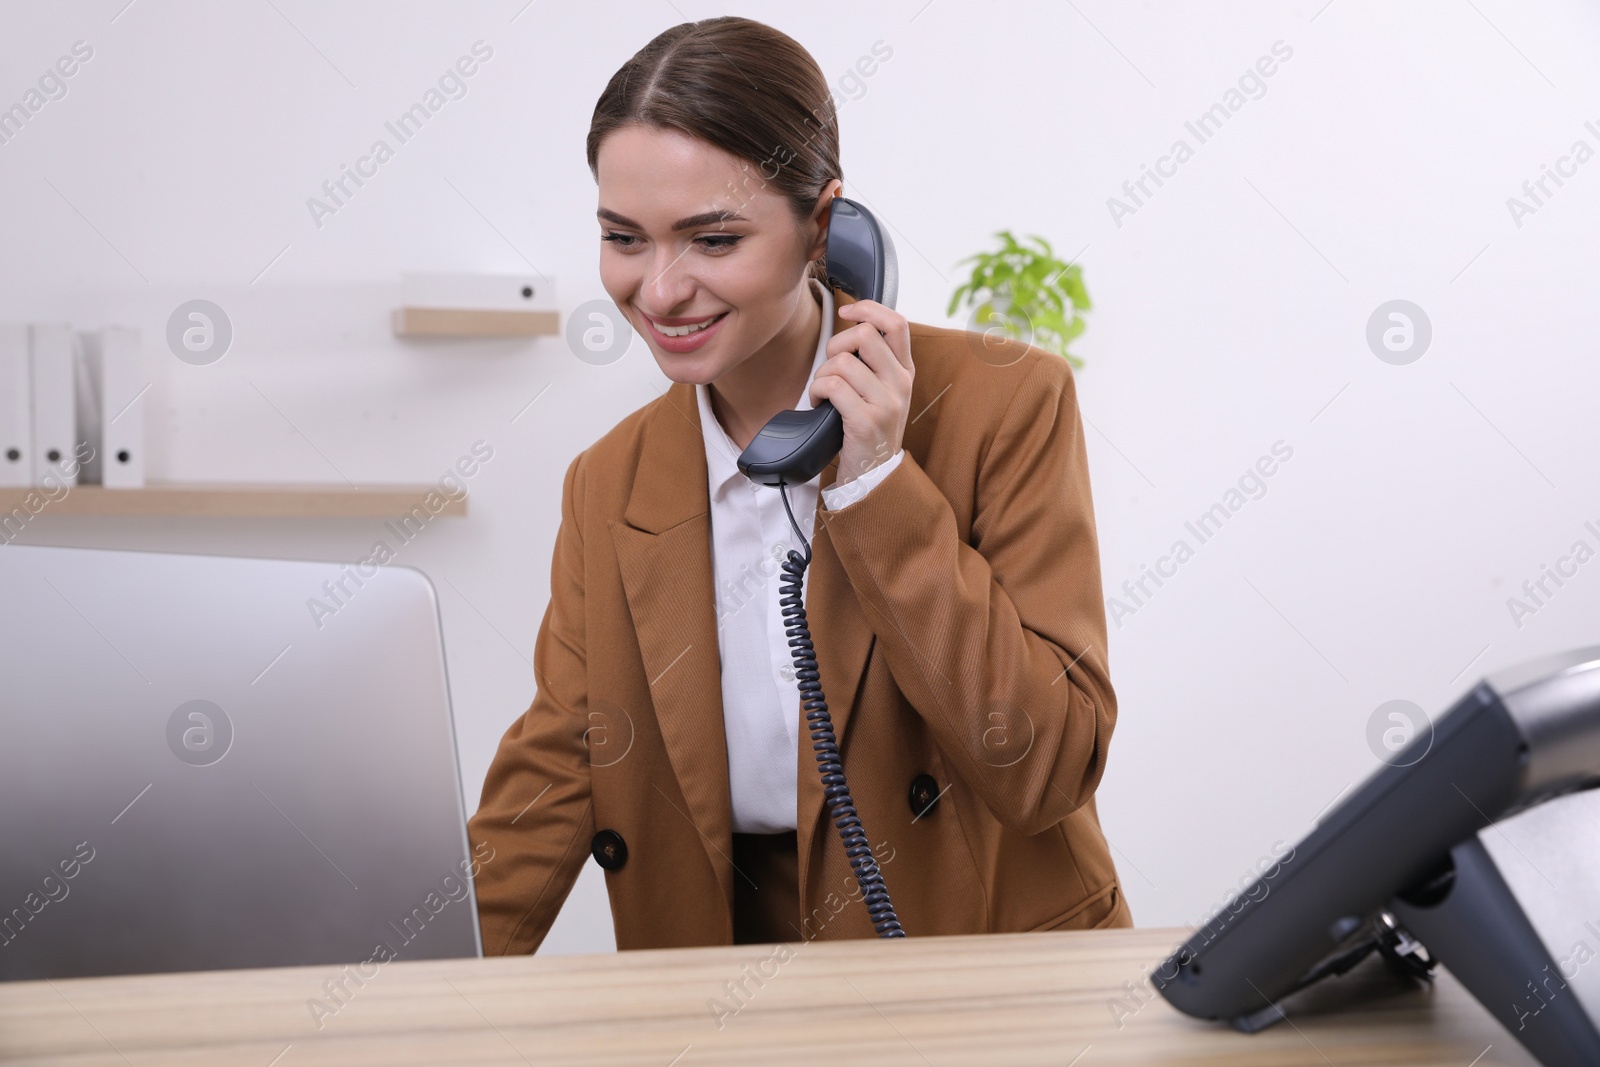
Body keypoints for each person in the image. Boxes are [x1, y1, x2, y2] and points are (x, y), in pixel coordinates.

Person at [467, 15, 1131, 954]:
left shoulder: (1004, 403)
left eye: (712, 239)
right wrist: (383, 993)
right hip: (727, 956)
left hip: (976, 946)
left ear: (821, 226)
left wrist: (876, 486)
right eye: (625, 237)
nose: (658, 292)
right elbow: (561, 765)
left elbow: (1043, 764)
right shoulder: (607, 483)